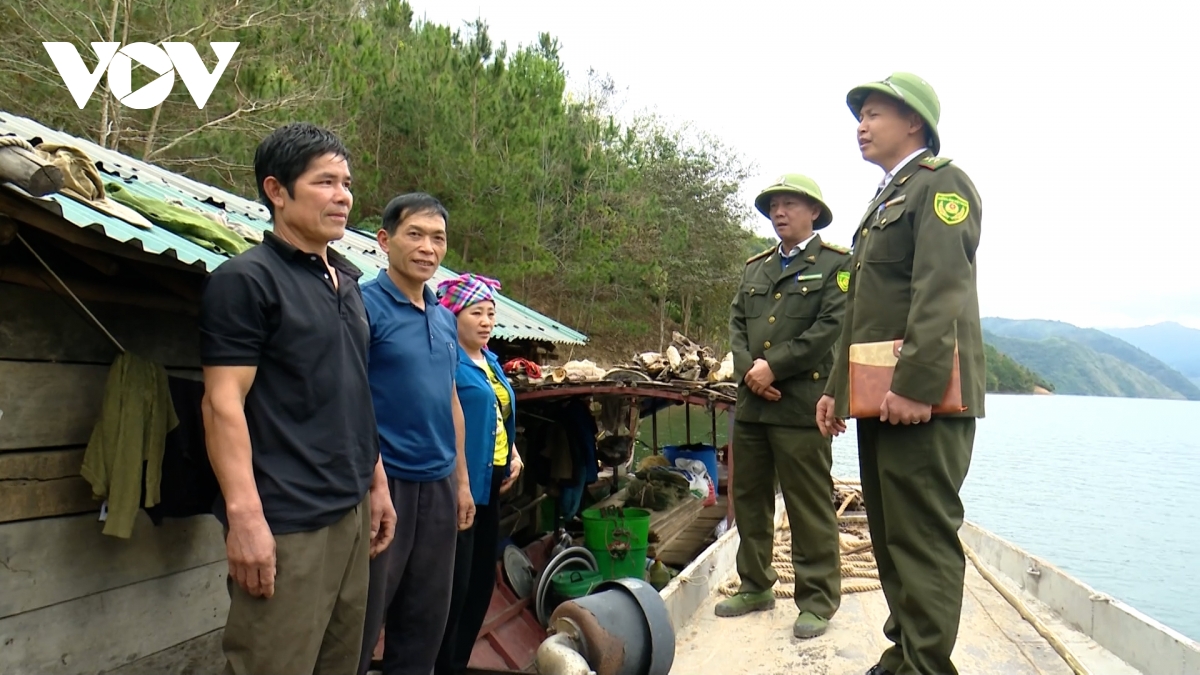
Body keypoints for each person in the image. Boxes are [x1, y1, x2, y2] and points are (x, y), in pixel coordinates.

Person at [199, 122, 396, 675]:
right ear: (276, 190)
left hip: (351, 509)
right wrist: (245, 517)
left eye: (347, 183)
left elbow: (351, 393)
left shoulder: (349, 284)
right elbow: (221, 403)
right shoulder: (247, 281)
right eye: (325, 182)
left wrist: (376, 482)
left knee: (341, 663)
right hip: (289, 519)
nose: (343, 196)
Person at [816, 72, 986, 675]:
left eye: (874, 114)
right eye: (859, 116)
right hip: (879, 397)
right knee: (891, 535)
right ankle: (905, 656)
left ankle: (927, 667)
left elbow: (940, 292)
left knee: (922, 536)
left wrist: (915, 386)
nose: (861, 126)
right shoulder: (885, 200)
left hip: (923, 399)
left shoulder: (941, 185)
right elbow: (862, 311)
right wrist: (836, 391)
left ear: (914, 122)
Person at [718, 173, 851, 639]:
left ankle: (816, 600)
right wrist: (748, 371)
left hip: (801, 406)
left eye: (790, 204)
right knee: (749, 498)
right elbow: (737, 322)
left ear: (814, 211)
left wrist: (773, 367)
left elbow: (830, 328)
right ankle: (755, 585)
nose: (779, 212)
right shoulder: (757, 267)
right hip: (753, 405)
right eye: (773, 205)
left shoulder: (835, 264)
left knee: (807, 505)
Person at [357, 192, 476, 675]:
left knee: (425, 621)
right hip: (385, 485)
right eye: (415, 234)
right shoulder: (362, 306)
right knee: (363, 619)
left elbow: (451, 402)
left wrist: (462, 482)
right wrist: (373, 483)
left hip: (439, 485)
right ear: (385, 240)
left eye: (438, 238)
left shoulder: (444, 318)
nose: (428, 248)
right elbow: (351, 402)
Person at [433, 273, 524, 675]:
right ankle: (440, 663)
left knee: (482, 580)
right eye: (476, 313)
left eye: (490, 313)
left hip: (491, 484)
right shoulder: (447, 361)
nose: (486, 322)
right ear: (453, 315)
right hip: (461, 486)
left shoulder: (489, 360)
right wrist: (460, 483)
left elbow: (498, 414)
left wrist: (514, 452)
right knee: (456, 583)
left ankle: (457, 662)